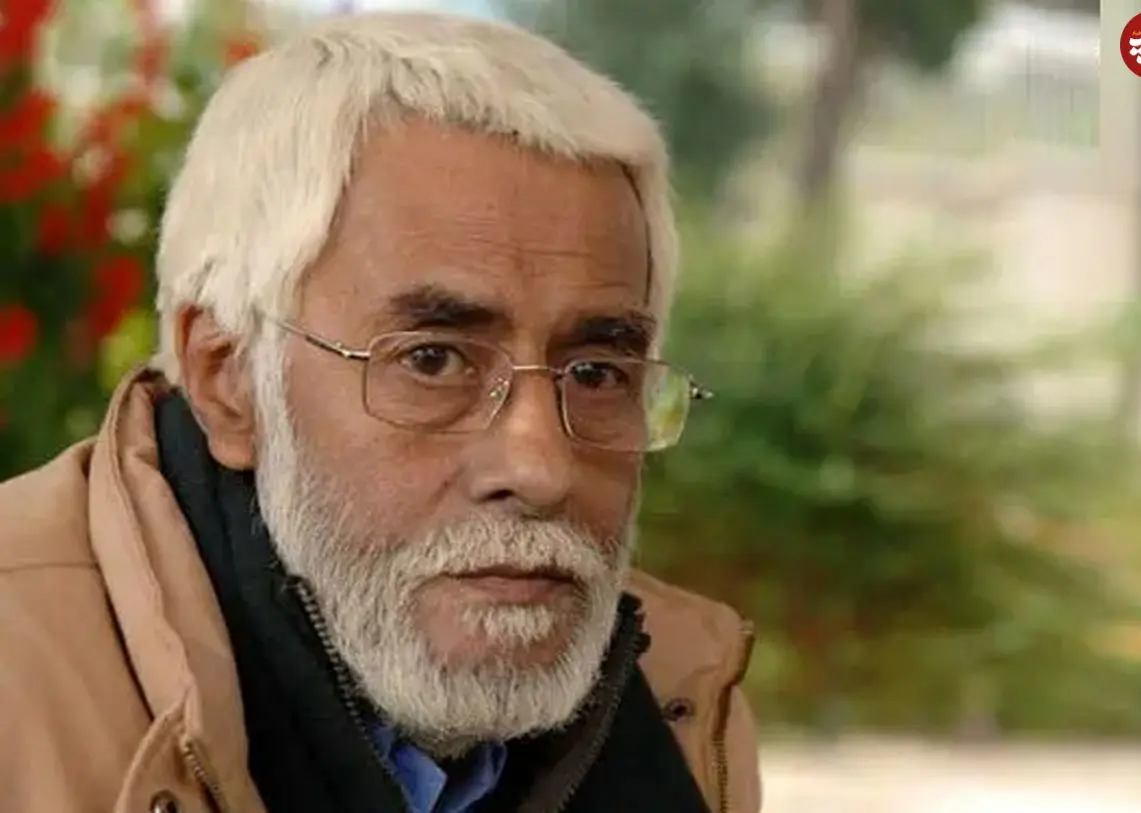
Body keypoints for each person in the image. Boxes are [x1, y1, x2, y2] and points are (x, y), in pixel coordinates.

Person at [0, 11, 759, 813]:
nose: (539, 466)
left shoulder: (679, 701)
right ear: (228, 379)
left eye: (597, 373)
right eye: (432, 360)